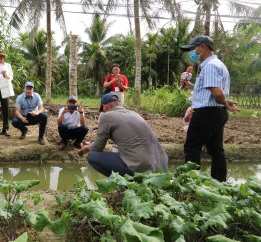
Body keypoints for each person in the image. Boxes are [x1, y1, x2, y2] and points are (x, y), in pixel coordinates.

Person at [180, 35, 240, 182]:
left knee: (192, 148)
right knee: (216, 150)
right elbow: (211, 91)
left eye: (194, 48)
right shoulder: (218, 64)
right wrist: (192, 86)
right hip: (217, 112)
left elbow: (217, 93)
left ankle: (190, 185)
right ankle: (219, 184)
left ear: (203, 47)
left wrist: (223, 100)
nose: (192, 52)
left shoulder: (210, 66)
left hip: (206, 113)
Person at [78, 93, 168, 177]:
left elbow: (98, 147)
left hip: (141, 166)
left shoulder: (106, 116)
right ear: (119, 104)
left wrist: (87, 148)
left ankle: (124, 183)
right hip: (161, 164)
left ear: (104, 107)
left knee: (93, 156)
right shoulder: (134, 114)